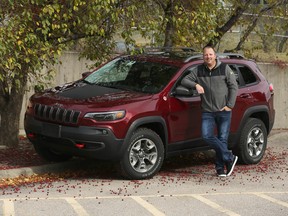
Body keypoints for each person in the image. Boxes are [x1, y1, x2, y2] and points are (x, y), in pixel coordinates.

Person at [181, 46, 238, 177]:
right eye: (206, 55)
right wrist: (196, 85)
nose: (208, 57)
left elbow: (233, 87)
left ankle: (220, 169)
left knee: (222, 139)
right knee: (207, 136)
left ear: (215, 55)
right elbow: (185, 80)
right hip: (207, 111)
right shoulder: (199, 70)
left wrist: (230, 105)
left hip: (224, 110)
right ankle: (229, 157)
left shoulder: (225, 68)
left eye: (210, 54)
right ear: (203, 56)